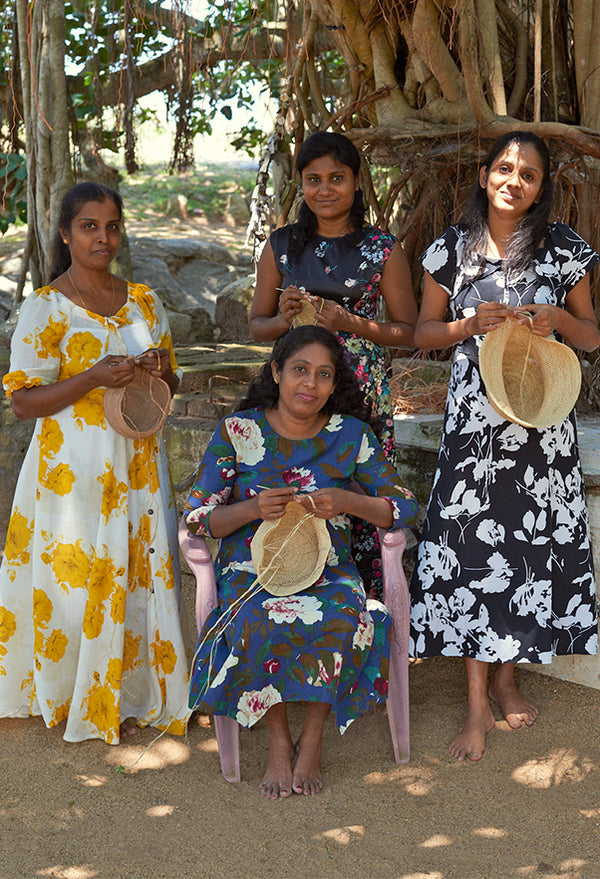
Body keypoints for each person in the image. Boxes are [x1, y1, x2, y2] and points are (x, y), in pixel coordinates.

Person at [409, 131, 600, 761]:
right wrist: (468, 324)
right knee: (467, 555)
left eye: (530, 174)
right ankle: (473, 707)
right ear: (485, 173)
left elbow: (591, 337)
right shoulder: (450, 249)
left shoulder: (564, 248)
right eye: (505, 168)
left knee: (528, 552)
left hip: (542, 425)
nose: (514, 180)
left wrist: (558, 320)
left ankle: (507, 678)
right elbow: (425, 333)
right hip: (474, 426)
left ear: (543, 188)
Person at [185, 325, 418, 798]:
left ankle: (311, 738)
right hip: (252, 572)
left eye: (323, 374)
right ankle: (279, 738)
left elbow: (404, 504)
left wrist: (346, 502)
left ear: (335, 385)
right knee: (258, 620)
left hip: (326, 570)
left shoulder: (350, 435)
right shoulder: (239, 430)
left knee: (344, 618)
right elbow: (197, 517)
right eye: (299, 370)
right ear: (276, 371)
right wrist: (250, 508)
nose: (309, 383)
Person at [0, 182, 191, 744]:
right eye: (88, 227)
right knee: (76, 578)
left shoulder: (145, 302)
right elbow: (22, 402)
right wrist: (90, 377)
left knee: (134, 570)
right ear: (65, 234)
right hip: (71, 473)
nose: (102, 238)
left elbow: (172, 381)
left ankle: (131, 694)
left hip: (136, 461)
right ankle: (71, 694)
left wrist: (157, 367)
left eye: (111, 227)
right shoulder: (45, 306)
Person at [249, 130, 418, 598]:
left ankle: (360, 606)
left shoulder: (382, 248)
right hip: (297, 385)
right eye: (313, 179)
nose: (325, 189)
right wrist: (281, 318)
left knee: (355, 485)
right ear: (301, 185)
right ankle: (289, 580)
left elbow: (408, 332)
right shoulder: (281, 246)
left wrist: (352, 322)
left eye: (337, 178)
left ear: (357, 183)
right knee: (296, 480)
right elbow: (256, 326)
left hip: (360, 384)